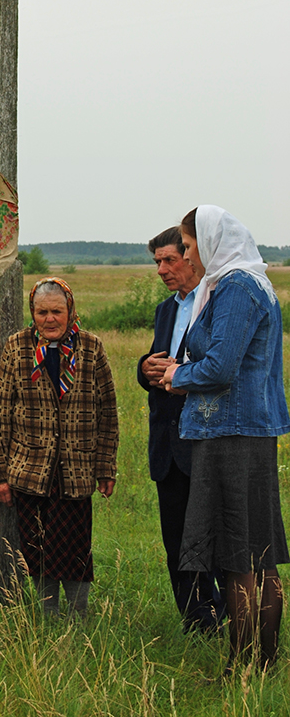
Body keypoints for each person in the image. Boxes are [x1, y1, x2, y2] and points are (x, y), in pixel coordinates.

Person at [162, 206, 289, 671]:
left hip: (232, 432)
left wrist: (179, 373)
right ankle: (263, 661)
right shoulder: (247, 283)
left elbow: (220, 367)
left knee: (241, 555)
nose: (189, 257)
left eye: (190, 247)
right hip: (241, 431)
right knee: (256, 553)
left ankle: (245, 664)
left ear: (212, 240)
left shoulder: (236, 288)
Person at [0, 277, 118, 617]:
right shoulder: (17, 347)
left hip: (76, 472)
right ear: (32, 313)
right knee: (38, 548)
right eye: (41, 312)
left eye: (56, 311)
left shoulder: (91, 348)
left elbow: (108, 414)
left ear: (70, 310)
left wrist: (105, 468)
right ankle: (49, 614)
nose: (49, 319)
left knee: (76, 548)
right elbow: (0, 413)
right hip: (30, 471)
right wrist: (0, 475)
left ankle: (78, 614)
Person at [137, 227, 223, 632]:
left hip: (205, 437)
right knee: (176, 540)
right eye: (157, 261)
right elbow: (161, 362)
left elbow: (218, 369)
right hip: (167, 442)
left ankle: (225, 615)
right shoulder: (165, 309)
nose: (162, 269)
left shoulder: (216, 302)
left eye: (170, 259)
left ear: (192, 257)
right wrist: (145, 369)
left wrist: (176, 372)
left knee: (213, 539)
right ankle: (195, 622)